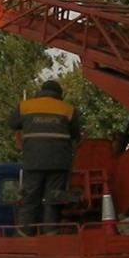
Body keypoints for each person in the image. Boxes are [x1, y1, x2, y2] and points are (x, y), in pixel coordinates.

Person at [9, 79, 82, 234]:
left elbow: (12, 123)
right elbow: (76, 134)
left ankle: (25, 236)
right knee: (53, 200)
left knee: (30, 200)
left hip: (33, 161)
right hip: (59, 162)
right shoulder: (68, 109)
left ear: (41, 91)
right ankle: (50, 235)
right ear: (59, 94)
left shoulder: (26, 106)